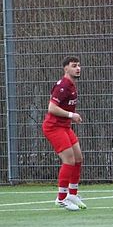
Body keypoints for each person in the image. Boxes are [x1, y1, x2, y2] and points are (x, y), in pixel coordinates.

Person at [42, 56, 87, 211]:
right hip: (53, 127)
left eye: (79, 65)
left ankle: (72, 194)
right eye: (74, 66)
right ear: (65, 68)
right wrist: (71, 115)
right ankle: (61, 199)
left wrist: (70, 118)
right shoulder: (63, 86)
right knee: (69, 160)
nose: (78, 68)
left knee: (78, 158)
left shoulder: (72, 85)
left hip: (65, 127)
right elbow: (52, 108)